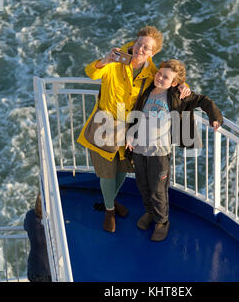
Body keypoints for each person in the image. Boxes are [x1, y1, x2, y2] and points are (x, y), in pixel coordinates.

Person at [77, 26, 190, 233]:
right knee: (106, 174)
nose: (140, 49)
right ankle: (109, 211)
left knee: (121, 172)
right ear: (134, 43)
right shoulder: (115, 60)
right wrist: (105, 61)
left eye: (146, 48)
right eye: (139, 44)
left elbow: (168, 80)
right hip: (105, 126)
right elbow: (91, 72)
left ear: (153, 53)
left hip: (129, 129)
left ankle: (110, 200)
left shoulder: (151, 73)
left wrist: (183, 86)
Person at [126, 59, 223, 241]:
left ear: (174, 83)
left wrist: (215, 116)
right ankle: (149, 212)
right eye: (159, 74)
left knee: (157, 189)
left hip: (159, 153)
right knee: (142, 184)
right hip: (139, 149)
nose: (160, 78)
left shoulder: (176, 95)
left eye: (166, 77)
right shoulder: (147, 90)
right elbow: (137, 115)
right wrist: (130, 136)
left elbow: (203, 100)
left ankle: (162, 221)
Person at [24, 193, 52, 282]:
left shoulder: (30, 215)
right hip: (50, 270)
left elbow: (26, 227)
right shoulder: (53, 219)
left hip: (34, 268)